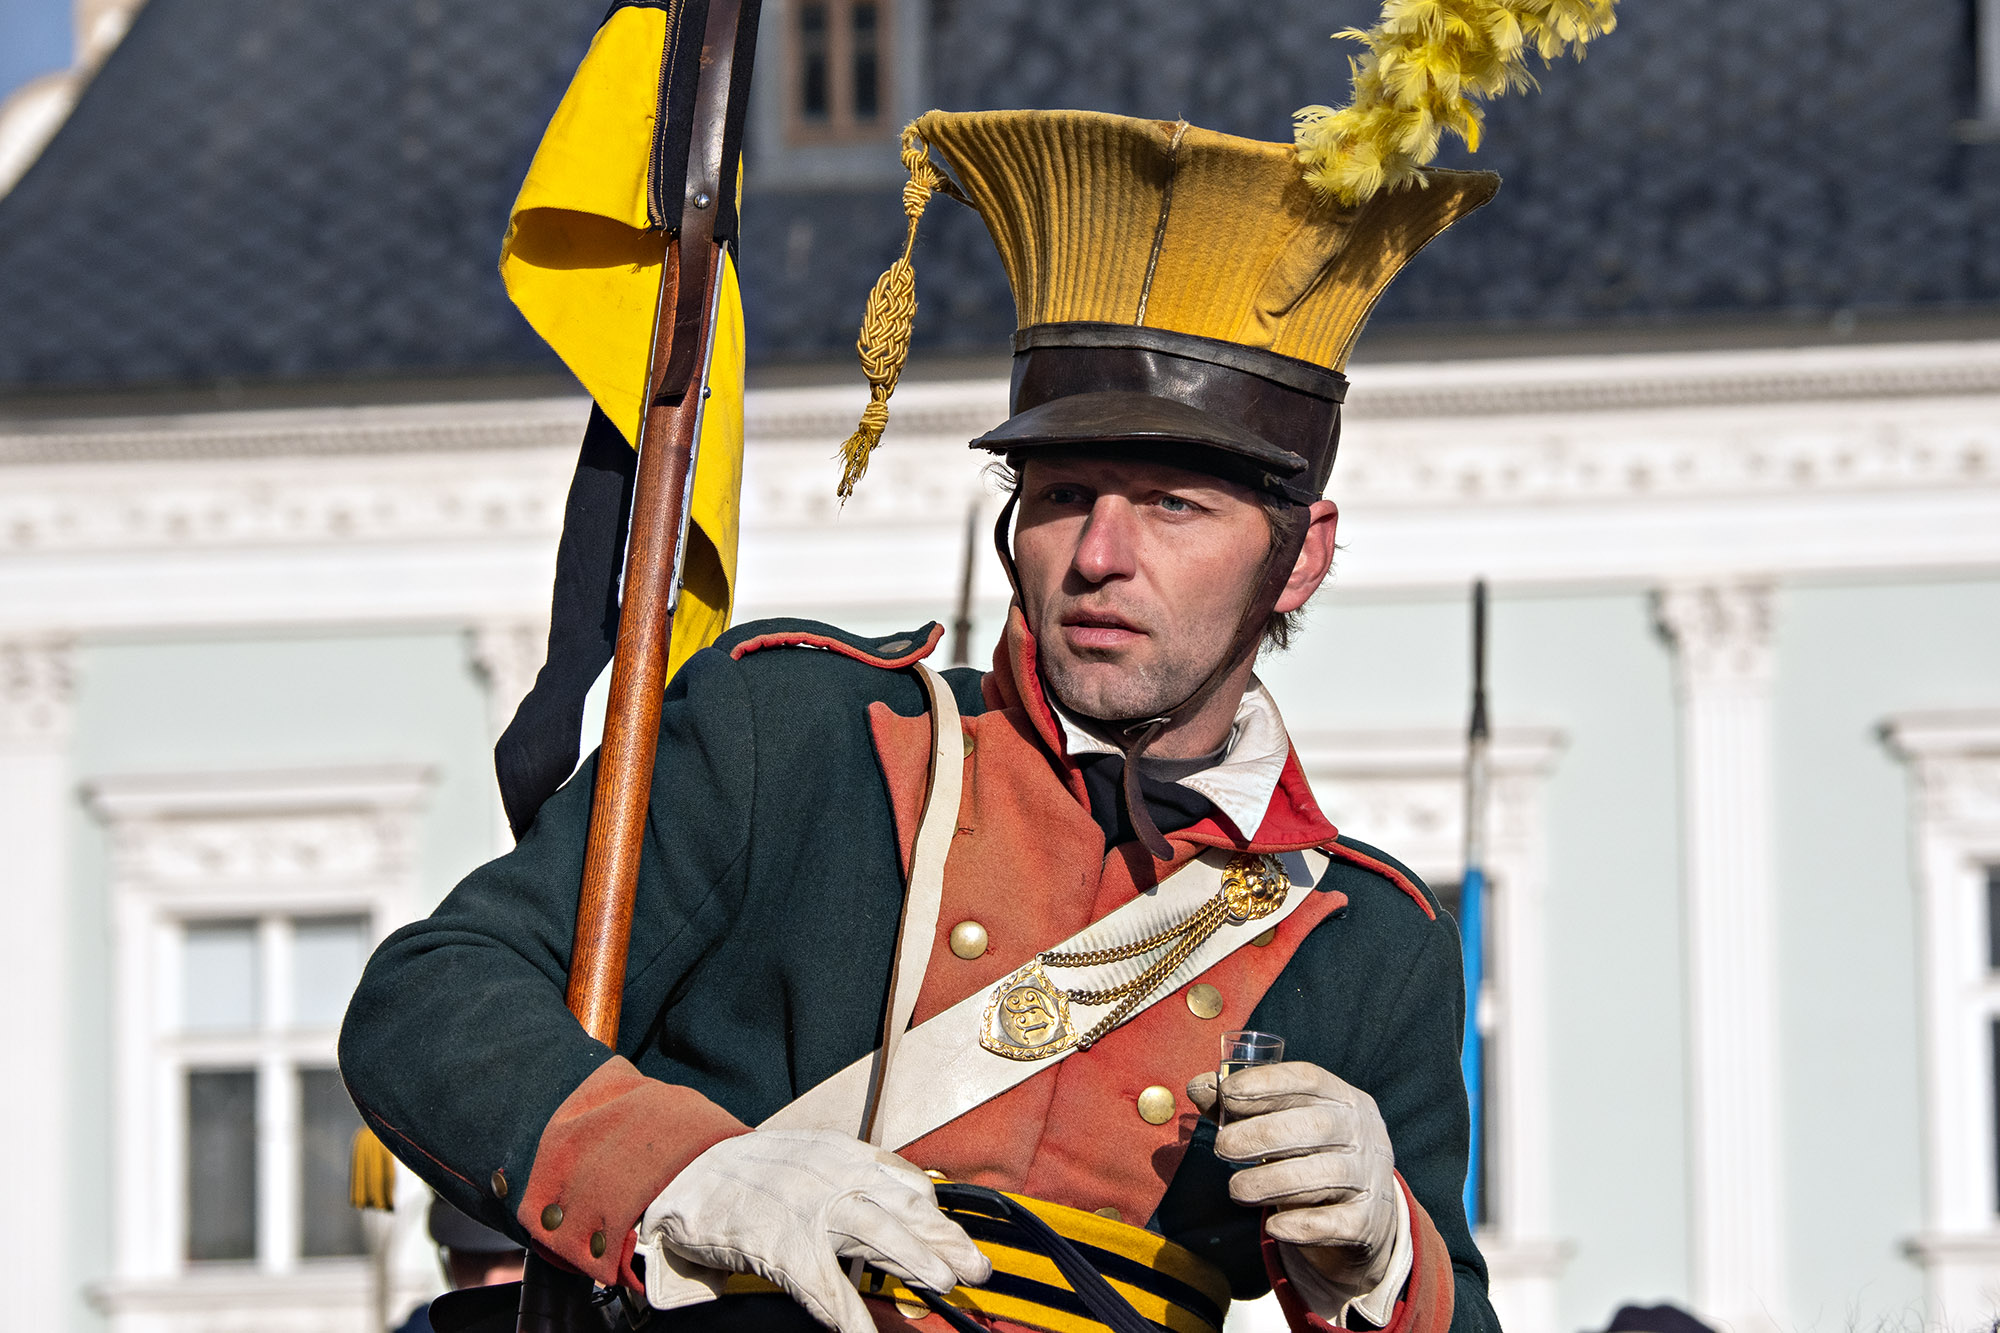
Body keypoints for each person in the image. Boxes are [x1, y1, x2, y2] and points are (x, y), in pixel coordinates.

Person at [341, 108, 1501, 1333]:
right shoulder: (795, 734)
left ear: (1298, 556)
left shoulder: (1368, 939)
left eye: (1170, 505)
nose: (1097, 556)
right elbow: (432, 998)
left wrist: (1381, 1260)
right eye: (1062, 495)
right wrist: (682, 1173)